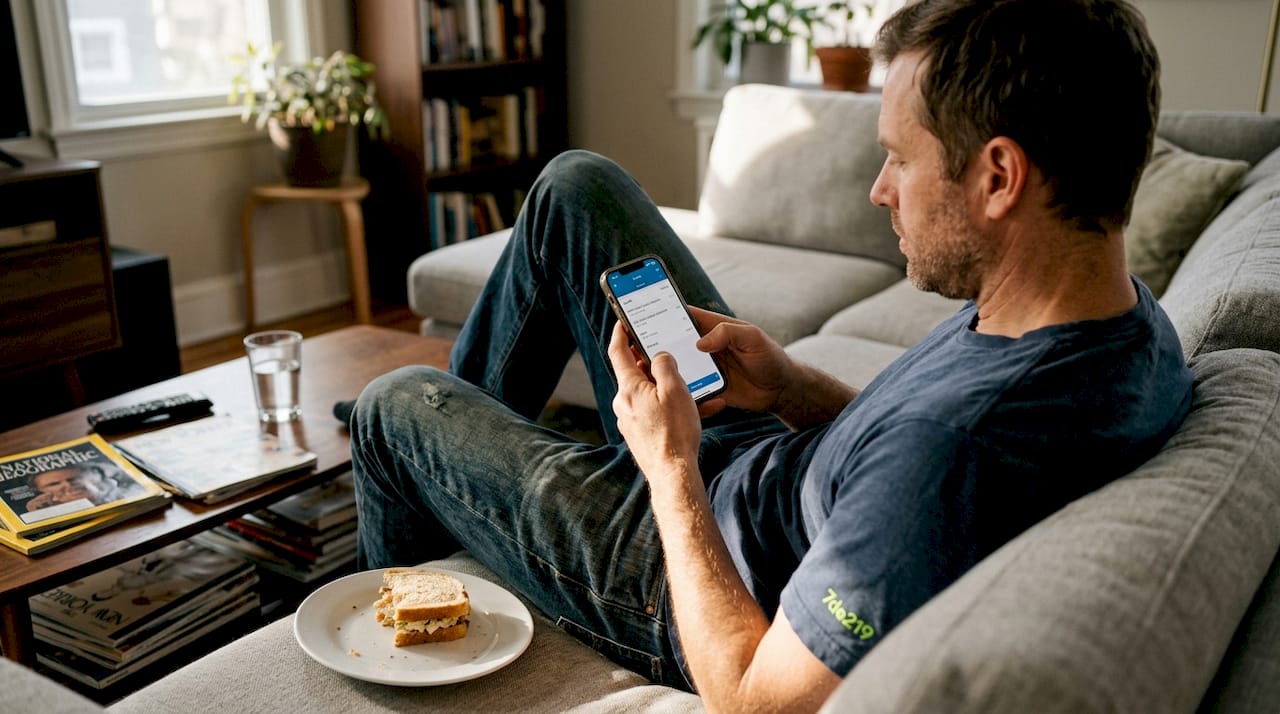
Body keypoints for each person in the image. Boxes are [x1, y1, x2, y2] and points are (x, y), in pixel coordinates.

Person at [349, 0, 1193, 710]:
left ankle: (400, 610)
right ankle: (458, 507)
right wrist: (791, 385)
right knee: (577, 187)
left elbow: (754, 697)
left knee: (394, 409)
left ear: (999, 177)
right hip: (763, 472)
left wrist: (669, 465)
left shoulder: (956, 449)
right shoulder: (1119, 321)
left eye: (900, 158)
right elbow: (893, 450)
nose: (880, 189)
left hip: (681, 569)